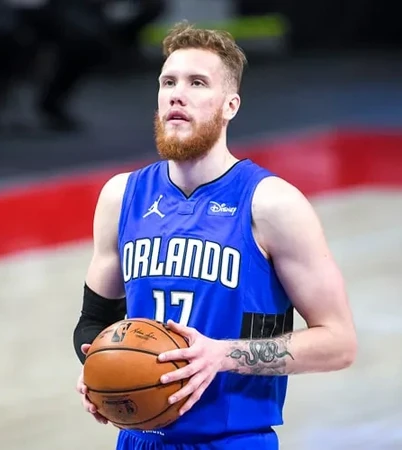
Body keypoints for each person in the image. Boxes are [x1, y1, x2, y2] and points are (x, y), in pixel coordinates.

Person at [73, 21, 357, 450]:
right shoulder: (121, 196)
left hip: (232, 438)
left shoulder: (271, 204)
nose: (177, 94)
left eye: (197, 83)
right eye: (168, 81)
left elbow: (339, 343)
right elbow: (93, 322)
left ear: (230, 106)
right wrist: (101, 368)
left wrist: (222, 355)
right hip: (138, 439)